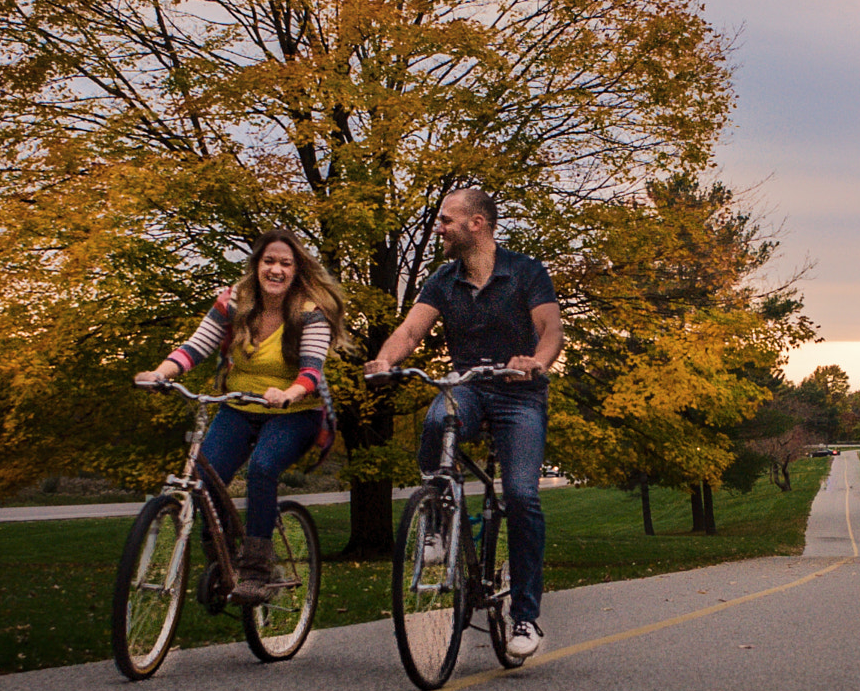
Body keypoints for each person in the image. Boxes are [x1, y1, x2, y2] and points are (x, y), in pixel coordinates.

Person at [365, 188, 562, 657]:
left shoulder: (526, 272)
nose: (439, 228)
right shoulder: (442, 280)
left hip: (519, 394)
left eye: (446, 220)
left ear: (477, 223)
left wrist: (535, 361)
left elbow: (551, 330)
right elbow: (411, 330)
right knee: (438, 419)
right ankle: (436, 521)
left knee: (520, 496)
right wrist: (385, 359)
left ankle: (526, 618)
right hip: (469, 385)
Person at [136, 229, 343, 605]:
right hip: (238, 406)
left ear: (296, 270)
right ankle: (223, 558)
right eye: (269, 261)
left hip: (293, 412)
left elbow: (312, 371)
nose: (276, 269)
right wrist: (161, 373)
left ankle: (256, 571)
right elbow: (196, 346)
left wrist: (289, 393)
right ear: (257, 265)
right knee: (205, 476)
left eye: (285, 263)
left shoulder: (311, 312)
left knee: (263, 468)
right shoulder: (235, 301)